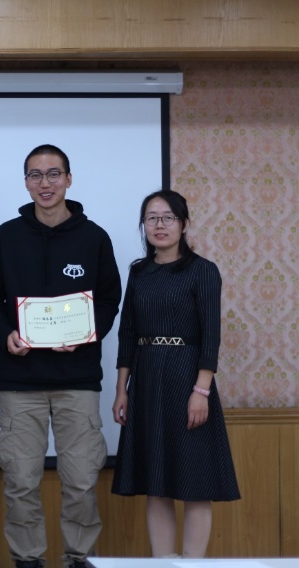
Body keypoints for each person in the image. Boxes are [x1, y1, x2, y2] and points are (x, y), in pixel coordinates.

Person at [0, 144, 122, 568]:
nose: (45, 183)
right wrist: (5, 335)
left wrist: (86, 333)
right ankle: (27, 560)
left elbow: (109, 300)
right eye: (36, 175)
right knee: (21, 484)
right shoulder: (5, 237)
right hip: (20, 384)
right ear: (26, 182)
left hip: (78, 382)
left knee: (81, 483)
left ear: (69, 179)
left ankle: (79, 559)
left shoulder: (94, 238)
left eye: (54, 174)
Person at [111, 189, 240, 558]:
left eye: (168, 217)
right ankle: (163, 564)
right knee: (157, 484)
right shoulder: (139, 272)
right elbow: (128, 333)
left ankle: (193, 565)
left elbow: (211, 337)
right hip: (146, 379)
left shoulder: (203, 270)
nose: (160, 225)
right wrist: (122, 389)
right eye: (151, 218)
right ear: (143, 225)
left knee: (194, 483)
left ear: (184, 224)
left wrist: (201, 391)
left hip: (187, 379)